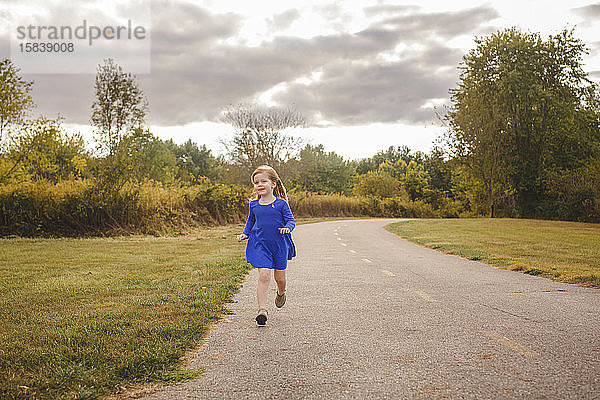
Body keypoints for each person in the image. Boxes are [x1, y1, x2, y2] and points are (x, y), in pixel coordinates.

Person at [236, 165, 296, 326]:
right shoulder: (254, 205)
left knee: (280, 278)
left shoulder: (281, 204)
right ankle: (262, 310)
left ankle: (281, 292)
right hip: (260, 244)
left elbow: (291, 220)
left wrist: (287, 228)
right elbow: (251, 221)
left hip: (279, 245)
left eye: (263, 181)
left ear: (273, 184)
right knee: (263, 275)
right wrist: (245, 234)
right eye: (256, 182)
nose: (259, 185)